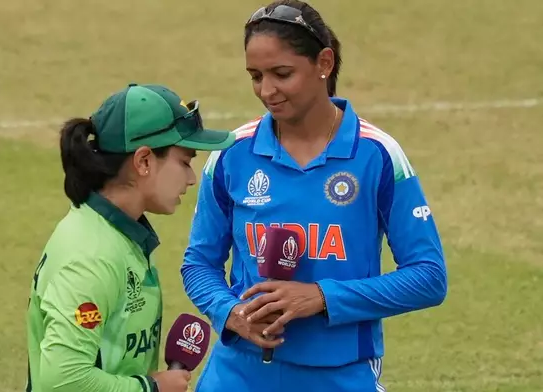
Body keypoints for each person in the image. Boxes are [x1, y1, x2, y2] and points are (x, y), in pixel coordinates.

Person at [180, 1, 448, 391]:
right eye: (255, 76)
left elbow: (428, 277)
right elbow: (198, 264)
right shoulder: (232, 153)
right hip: (238, 373)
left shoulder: (377, 155)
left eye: (282, 74)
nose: (266, 91)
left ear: (324, 63)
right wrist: (231, 311)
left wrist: (321, 297)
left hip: (340, 374)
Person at [24, 83, 236, 392]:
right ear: (144, 161)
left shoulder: (120, 235)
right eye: (185, 161)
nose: (191, 179)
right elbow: (63, 380)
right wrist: (151, 388)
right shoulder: (91, 256)